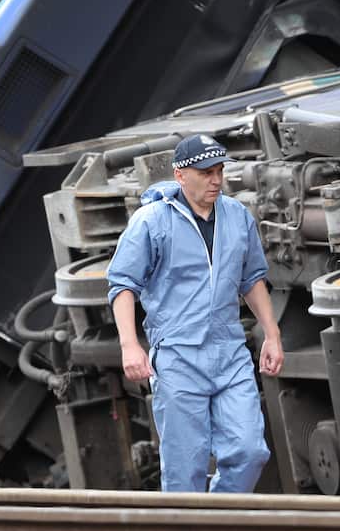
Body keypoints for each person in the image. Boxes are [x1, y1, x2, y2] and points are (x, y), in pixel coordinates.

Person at [107, 134, 283, 493]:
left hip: (229, 352)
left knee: (250, 451)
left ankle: (217, 522)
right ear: (180, 174)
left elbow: (252, 279)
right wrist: (129, 345)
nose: (216, 180)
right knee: (185, 468)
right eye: (206, 172)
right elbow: (123, 285)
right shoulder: (151, 221)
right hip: (177, 356)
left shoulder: (237, 217)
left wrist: (272, 335)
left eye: (219, 171)